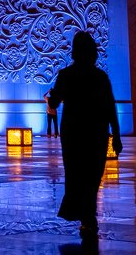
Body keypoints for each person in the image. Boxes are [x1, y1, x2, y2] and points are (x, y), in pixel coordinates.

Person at [48, 31, 122, 242]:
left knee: (76, 174)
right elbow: (110, 107)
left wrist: (54, 95)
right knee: (92, 175)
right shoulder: (100, 77)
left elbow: (53, 104)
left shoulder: (66, 75)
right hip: (95, 131)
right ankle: (88, 216)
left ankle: (86, 217)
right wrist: (116, 135)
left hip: (73, 132)